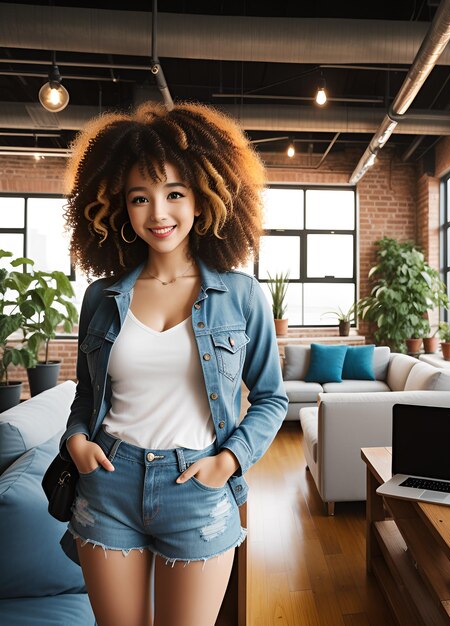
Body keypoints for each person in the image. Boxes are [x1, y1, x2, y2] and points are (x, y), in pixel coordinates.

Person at [57, 101, 288, 626]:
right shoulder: (101, 298)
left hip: (197, 488)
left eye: (175, 194)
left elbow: (272, 397)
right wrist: (75, 441)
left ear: (204, 199)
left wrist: (229, 462)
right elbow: (87, 397)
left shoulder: (242, 296)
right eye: (140, 198)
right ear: (119, 207)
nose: (158, 213)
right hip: (108, 483)